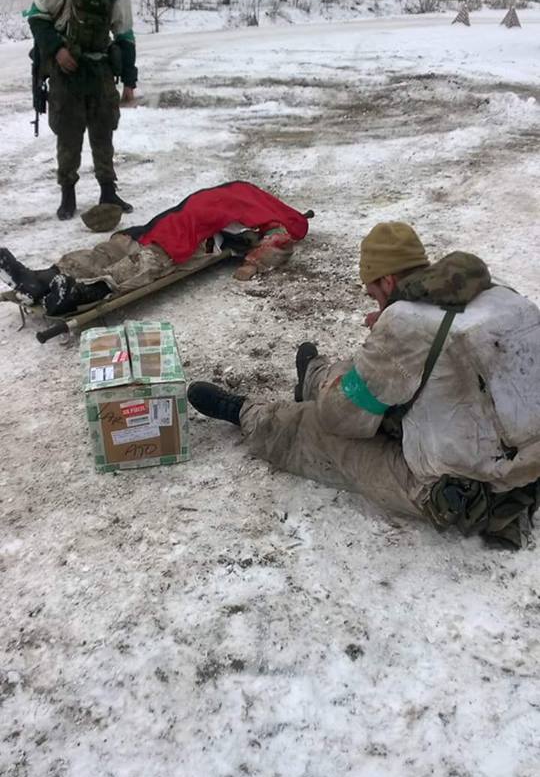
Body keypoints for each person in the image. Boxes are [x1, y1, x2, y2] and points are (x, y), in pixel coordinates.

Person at [188, 222, 540, 549]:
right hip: (526, 462)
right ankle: (314, 375)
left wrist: (386, 335)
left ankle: (251, 413)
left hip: (466, 490)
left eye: (374, 294)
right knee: (373, 373)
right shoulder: (501, 296)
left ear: (387, 282)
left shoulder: (406, 323)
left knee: (318, 427)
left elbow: (340, 418)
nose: (376, 302)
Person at [0, 182, 311, 314]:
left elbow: (275, 239)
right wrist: (253, 263)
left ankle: (48, 279)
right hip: (185, 230)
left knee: (120, 249)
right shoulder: (268, 215)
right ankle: (73, 287)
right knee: (146, 258)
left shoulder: (244, 193)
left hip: (166, 221)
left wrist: (250, 258)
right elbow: (279, 241)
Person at [26, 0, 137, 220]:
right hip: (68, 71)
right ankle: (68, 194)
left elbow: (125, 37)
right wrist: (57, 49)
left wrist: (129, 81)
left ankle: (108, 190)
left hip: (100, 71)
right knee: (68, 134)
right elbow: (37, 17)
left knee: (104, 133)